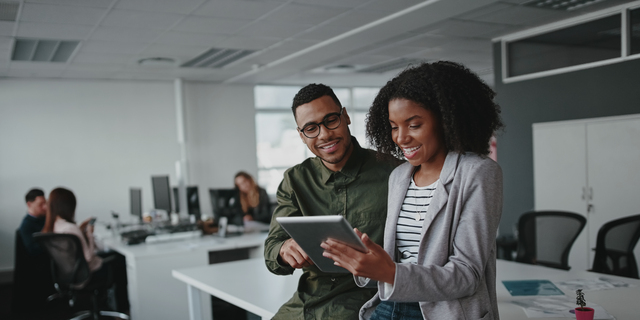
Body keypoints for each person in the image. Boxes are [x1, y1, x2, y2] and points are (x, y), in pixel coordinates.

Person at [321, 61, 504, 320]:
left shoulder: (478, 172)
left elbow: (467, 275)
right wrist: (369, 261)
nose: (400, 138)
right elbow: (400, 263)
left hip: (444, 311)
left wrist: (391, 272)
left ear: (446, 120)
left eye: (414, 125)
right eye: (394, 126)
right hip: (391, 304)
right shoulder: (399, 176)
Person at [264, 83, 397, 319]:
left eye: (330, 120)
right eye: (311, 128)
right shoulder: (295, 180)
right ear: (301, 135)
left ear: (345, 117)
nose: (324, 134)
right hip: (307, 303)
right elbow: (272, 248)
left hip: (368, 303)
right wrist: (284, 250)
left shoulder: (394, 173)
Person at [41, 187, 129, 313]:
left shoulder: (53, 226)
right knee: (120, 259)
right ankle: (122, 308)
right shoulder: (71, 228)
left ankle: (107, 303)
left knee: (111, 255)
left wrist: (80, 230)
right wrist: (89, 234)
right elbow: (88, 256)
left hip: (69, 274)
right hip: (86, 275)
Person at [18, 188, 48, 256]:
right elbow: (33, 250)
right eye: (40, 204)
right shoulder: (26, 225)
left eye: (45, 203)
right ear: (29, 204)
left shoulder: (47, 218)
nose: (45, 207)